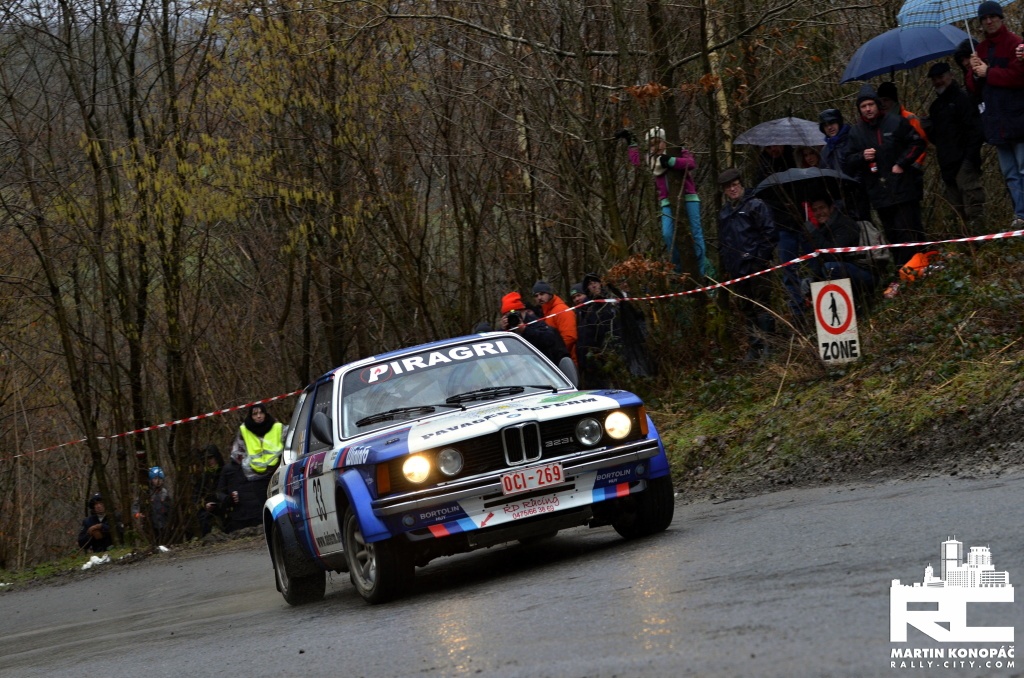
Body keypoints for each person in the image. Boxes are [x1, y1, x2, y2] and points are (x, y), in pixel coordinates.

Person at [843, 84, 928, 269]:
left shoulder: (895, 121)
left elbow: (917, 143)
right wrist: (861, 156)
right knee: (892, 234)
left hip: (902, 188)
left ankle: (915, 270)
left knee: (908, 231)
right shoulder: (856, 132)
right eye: (863, 106)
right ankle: (901, 271)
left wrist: (902, 163)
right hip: (878, 193)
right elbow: (847, 160)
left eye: (870, 104)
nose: (868, 109)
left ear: (877, 104)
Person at [614, 127, 712, 277]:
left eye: (658, 142)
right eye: (652, 144)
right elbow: (637, 161)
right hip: (666, 201)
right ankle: (678, 269)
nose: (656, 147)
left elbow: (690, 163)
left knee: (695, 233)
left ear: (665, 141)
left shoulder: (677, 151)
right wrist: (631, 142)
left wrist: (670, 161)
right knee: (667, 234)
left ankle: (700, 270)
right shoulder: (652, 160)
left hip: (689, 197)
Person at [966, 0, 1024, 228]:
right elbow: (972, 87)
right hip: (996, 123)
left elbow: (1018, 77)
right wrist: (974, 72)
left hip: (1018, 119)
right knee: (1010, 172)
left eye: (992, 17)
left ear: (1001, 18)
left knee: (1022, 169)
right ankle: (1020, 215)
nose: (989, 22)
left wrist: (988, 72)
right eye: (984, 19)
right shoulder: (979, 50)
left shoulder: (1016, 44)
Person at [717, 168, 777, 361]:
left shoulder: (755, 205)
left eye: (735, 185)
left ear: (741, 184)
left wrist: (760, 259)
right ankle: (754, 346)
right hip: (737, 269)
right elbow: (723, 242)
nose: (732, 189)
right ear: (724, 191)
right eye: (728, 187)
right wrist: (728, 264)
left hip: (756, 265)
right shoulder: (724, 213)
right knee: (746, 308)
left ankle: (769, 345)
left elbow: (769, 233)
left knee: (762, 305)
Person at [924, 61, 986, 230]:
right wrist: (927, 128)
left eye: (940, 77)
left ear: (950, 76)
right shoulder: (935, 107)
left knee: (973, 205)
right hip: (947, 165)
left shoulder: (963, 99)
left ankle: (981, 239)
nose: (938, 82)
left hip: (965, 161)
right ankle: (966, 242)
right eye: (934, 79)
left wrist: (970, 158)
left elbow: (976, 131)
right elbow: (937, 138)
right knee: (957, 212)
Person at [807, 196, 878, 301]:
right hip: (849, 271)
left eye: (822, 208)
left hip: (866, 273)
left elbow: (833, 255)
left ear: (831, 208)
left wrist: (814, 233)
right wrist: (812, 280)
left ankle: (855, 301)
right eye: (815, 210)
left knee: (830, 268)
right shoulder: (824, 228)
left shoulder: (845, 224)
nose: (819, 213)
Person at [499, 292, 570, 366]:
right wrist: (502, 330)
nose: (513, 318)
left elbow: (549, 340)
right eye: (508, 315)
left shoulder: (536, 323)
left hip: (540, 366)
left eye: (516, 313)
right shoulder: (505, 330)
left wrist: (525, 330)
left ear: (524, 311)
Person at [230, 403, 284, 481]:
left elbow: (289, 442)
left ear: (265, 414)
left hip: (278, 469)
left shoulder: (277, 426)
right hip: (254, 474)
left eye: (261, 413)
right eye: (255, 414)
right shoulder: (244, 430)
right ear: (251, 416)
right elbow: (237, 452)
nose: (259, 416)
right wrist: (245, 465)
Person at [532, 280, 578, 365]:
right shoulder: (544, 312)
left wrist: (554, 354)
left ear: (549, 293)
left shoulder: (561, 310)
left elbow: (570, 337)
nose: (539, 298)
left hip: (566, 362)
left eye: (542, 294)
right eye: (536, 296)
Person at [132, 466, 172, 545]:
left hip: (164, 523)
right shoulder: (146, 493)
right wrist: (137, 514)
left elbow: (170, 507)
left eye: (160, 479)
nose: (158, 481)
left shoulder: (165, 492)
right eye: (155, 478)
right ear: (151, 480)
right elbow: (135, 505)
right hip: (151, 524)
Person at [195, 444, 224, 536]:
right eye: (207, 459)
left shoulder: (224, 472)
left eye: (211, 458)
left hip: (225, 509)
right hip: (209, 513)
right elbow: (196, 497)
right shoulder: (203, 477)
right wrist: (204, 505)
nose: (209, 461)